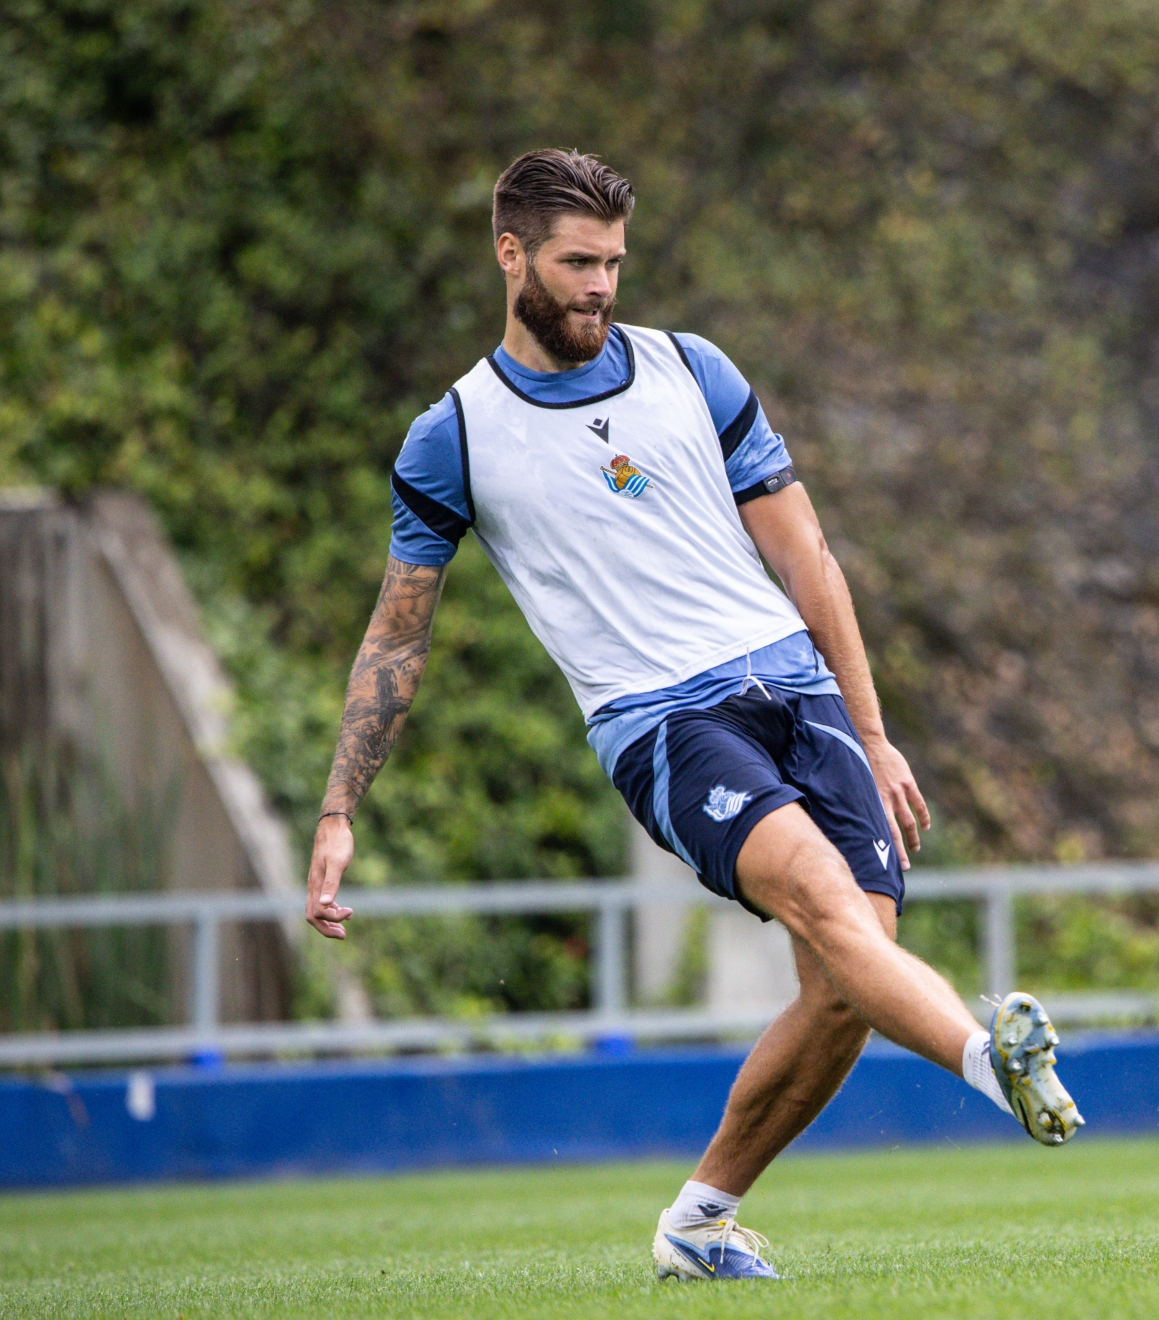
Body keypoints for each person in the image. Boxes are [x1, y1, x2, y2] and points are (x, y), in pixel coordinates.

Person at [303, 150, 1082, 1282]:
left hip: (797, 692)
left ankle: (699, 1222)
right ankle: (984, 1059)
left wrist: (872, 731)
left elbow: (809, 560)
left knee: (847, 976)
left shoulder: (694, 370)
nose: (600, 286)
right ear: (509, 253)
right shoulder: (454, 437)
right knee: (829, 913)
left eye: (614, 263)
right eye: (578, 262)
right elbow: (396, 636)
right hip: (662, 723)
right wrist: (339, 806)